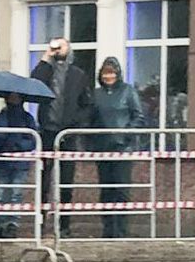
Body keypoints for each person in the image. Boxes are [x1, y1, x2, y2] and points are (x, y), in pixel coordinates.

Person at [31, 37, 92, 237]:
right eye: (54, 45)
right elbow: (34, 83)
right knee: (44, 178)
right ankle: (40, 221)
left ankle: (63, 225)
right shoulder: (46, 71)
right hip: (47, 132)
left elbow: (86, 104)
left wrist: (76, 123)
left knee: (66, 180)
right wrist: (46, 57)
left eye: (61, 45)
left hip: (68, 133)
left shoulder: (78, 74)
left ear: (69, 49)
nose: (58, 49)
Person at [91, 57, 145, 239]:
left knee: (121, 189)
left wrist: (125, 135)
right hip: (102, 147)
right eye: (105, 72)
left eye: (112, 72)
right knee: (106, 190)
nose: (109, 76)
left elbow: (138, 116)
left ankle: (121, 230)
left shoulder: (128, 91)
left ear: (118, 73)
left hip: (123, 148)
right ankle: (108, 230)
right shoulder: (96, 94)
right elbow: (91, 119)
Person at [0, 92, 39, 239]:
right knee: (1, 194)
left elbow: (33, 139)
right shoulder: (1, 117)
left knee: (16, 194)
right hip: (3, 162)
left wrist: (19, 145)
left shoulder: (27, 118)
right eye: (11, 97)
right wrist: (6, 143)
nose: (14, 100)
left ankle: (12, 224)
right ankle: (0, 223)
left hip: (20, 163)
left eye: (16, 97)